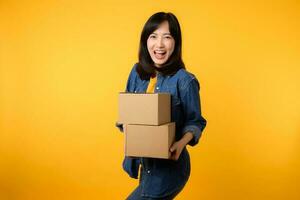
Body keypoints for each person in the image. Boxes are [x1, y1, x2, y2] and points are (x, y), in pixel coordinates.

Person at [116, 12, 207, 200]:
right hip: (144, 167)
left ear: (176, 42)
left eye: (167, 37)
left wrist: (180, 144)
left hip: (169, 171)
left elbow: (196, 122)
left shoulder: (185, 81)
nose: (159, 44)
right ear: (145, 41)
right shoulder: (137, 73)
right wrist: (127, 127)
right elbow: (127, 112)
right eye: (153, 36)